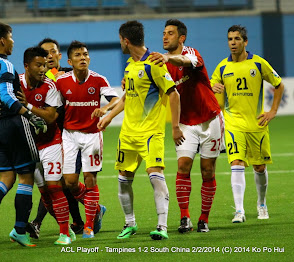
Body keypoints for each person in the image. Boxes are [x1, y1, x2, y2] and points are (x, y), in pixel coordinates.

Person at [98, 20, 184, 240]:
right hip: (128, 133)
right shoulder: (130, 65)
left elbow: (173, 94)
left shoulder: (154, 63)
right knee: (124, 177)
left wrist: (175, 127)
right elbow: (128, 96)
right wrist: (109, 116)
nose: (121, 44)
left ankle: (162, 226)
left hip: (151, 132)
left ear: (126, 41)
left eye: (120, 41)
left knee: (155, 174)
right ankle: (130, 223)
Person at [0, 22, 45, 249]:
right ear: (3, 40)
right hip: (15, 123)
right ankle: (20, 230)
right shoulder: (5, 64)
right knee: (26, 177)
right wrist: (29, 115)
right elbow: (6, 95)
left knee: (6, 178)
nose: (13, 41)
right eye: (11, 37)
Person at [149, 19, 224, 233]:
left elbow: (184, 61)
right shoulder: (161, 65)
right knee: (183, 166)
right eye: (163, 32)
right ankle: (185, 218)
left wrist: (167, 57)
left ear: (181, 38)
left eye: (170, 33)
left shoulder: (192, 53)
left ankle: (204, 218)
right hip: (185, 124)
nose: (164, 36)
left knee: (207, 171)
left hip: (210, 119)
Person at [210, 25, 284, 223]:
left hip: (256, 124)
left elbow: (279, 85)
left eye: (236, 39)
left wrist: (273, 111)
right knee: (236, 163)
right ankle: (239, 211)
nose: (232, 43)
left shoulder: (258, 64)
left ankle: (261, 203)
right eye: (230, 39)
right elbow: (210, 84)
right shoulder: (222, 66)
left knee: (259, 167)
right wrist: (212, 85)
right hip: (233, 123)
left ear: (245, 41)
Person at [57, 40, 119, 238]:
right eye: (78, 55)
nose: (83, 58)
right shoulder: (61, 82)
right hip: (69, 136)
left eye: (85, 54)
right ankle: (97, 207)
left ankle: (89, 226)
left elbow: (116, 100)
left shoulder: (99, 80)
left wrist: (105, 109)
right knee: (70, 182)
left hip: (92, 135)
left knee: (90, 179)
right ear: (70, 60)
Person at [27, 38, 85, 236]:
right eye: (45, 54)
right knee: (58, 184)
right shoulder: (41, 78)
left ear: (60, 55)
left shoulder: (70, 76)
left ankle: (37, 222)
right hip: (48, 137)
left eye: (52, 52)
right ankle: (80, 219)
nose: (49, 56)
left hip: (68, 137)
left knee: (58, 184)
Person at [19, 46, 75, 245]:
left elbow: (51, 117)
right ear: (27, 66)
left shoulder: (50, 86)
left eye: (44, 65)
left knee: (54, 187)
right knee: (44, 194)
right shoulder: (15, 84)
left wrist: (29, 106)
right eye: (38, 65)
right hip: (28, 145)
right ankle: (66, 226)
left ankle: (64, 235)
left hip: (51, 142)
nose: (43, 69)